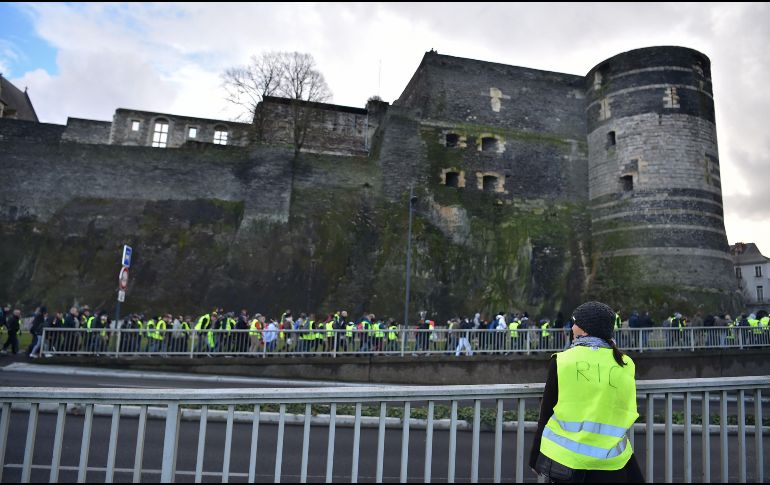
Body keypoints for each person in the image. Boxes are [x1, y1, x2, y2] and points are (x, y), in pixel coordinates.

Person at [529, 301, 644, 483]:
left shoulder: (563, 361)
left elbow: (546, 414)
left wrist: (535, 457)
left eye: (574, 323)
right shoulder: (625, 363)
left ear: (584, 330)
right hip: (612, 463)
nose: (572, 327)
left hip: (568, 463)